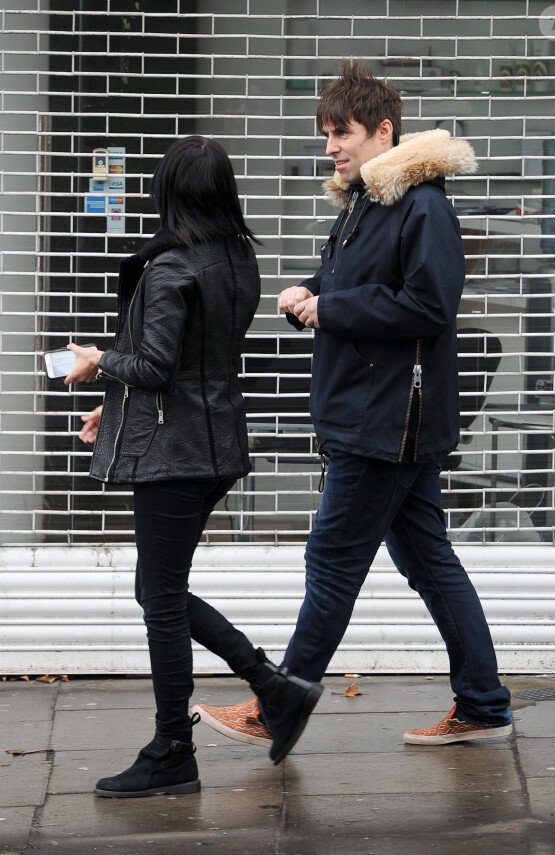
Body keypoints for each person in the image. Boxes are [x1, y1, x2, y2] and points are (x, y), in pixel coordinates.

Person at [193, 61, 513, 749]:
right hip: (380, 413)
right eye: (326, 135)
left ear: (384, 132)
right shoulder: (368, 200)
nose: (331, 147)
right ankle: (484, 702)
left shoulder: (422, 204)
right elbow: (352, 283)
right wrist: (306, 293)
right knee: (430, 561)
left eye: (343, 133)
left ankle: (278, 704)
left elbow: (429, 304)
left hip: (386, 421)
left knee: (332, 559)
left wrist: (328, 307)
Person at [65, 135, 323, 798]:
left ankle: (174, 748)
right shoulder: (238, 258)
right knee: (160, 590)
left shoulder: (170, 267)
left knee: (160, 597)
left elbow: (153, 365)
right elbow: (193, 362)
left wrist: (98, 360)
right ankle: (272, 688)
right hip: (216, 446)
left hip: (172, 456)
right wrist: (113, 409)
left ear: (170, 191)